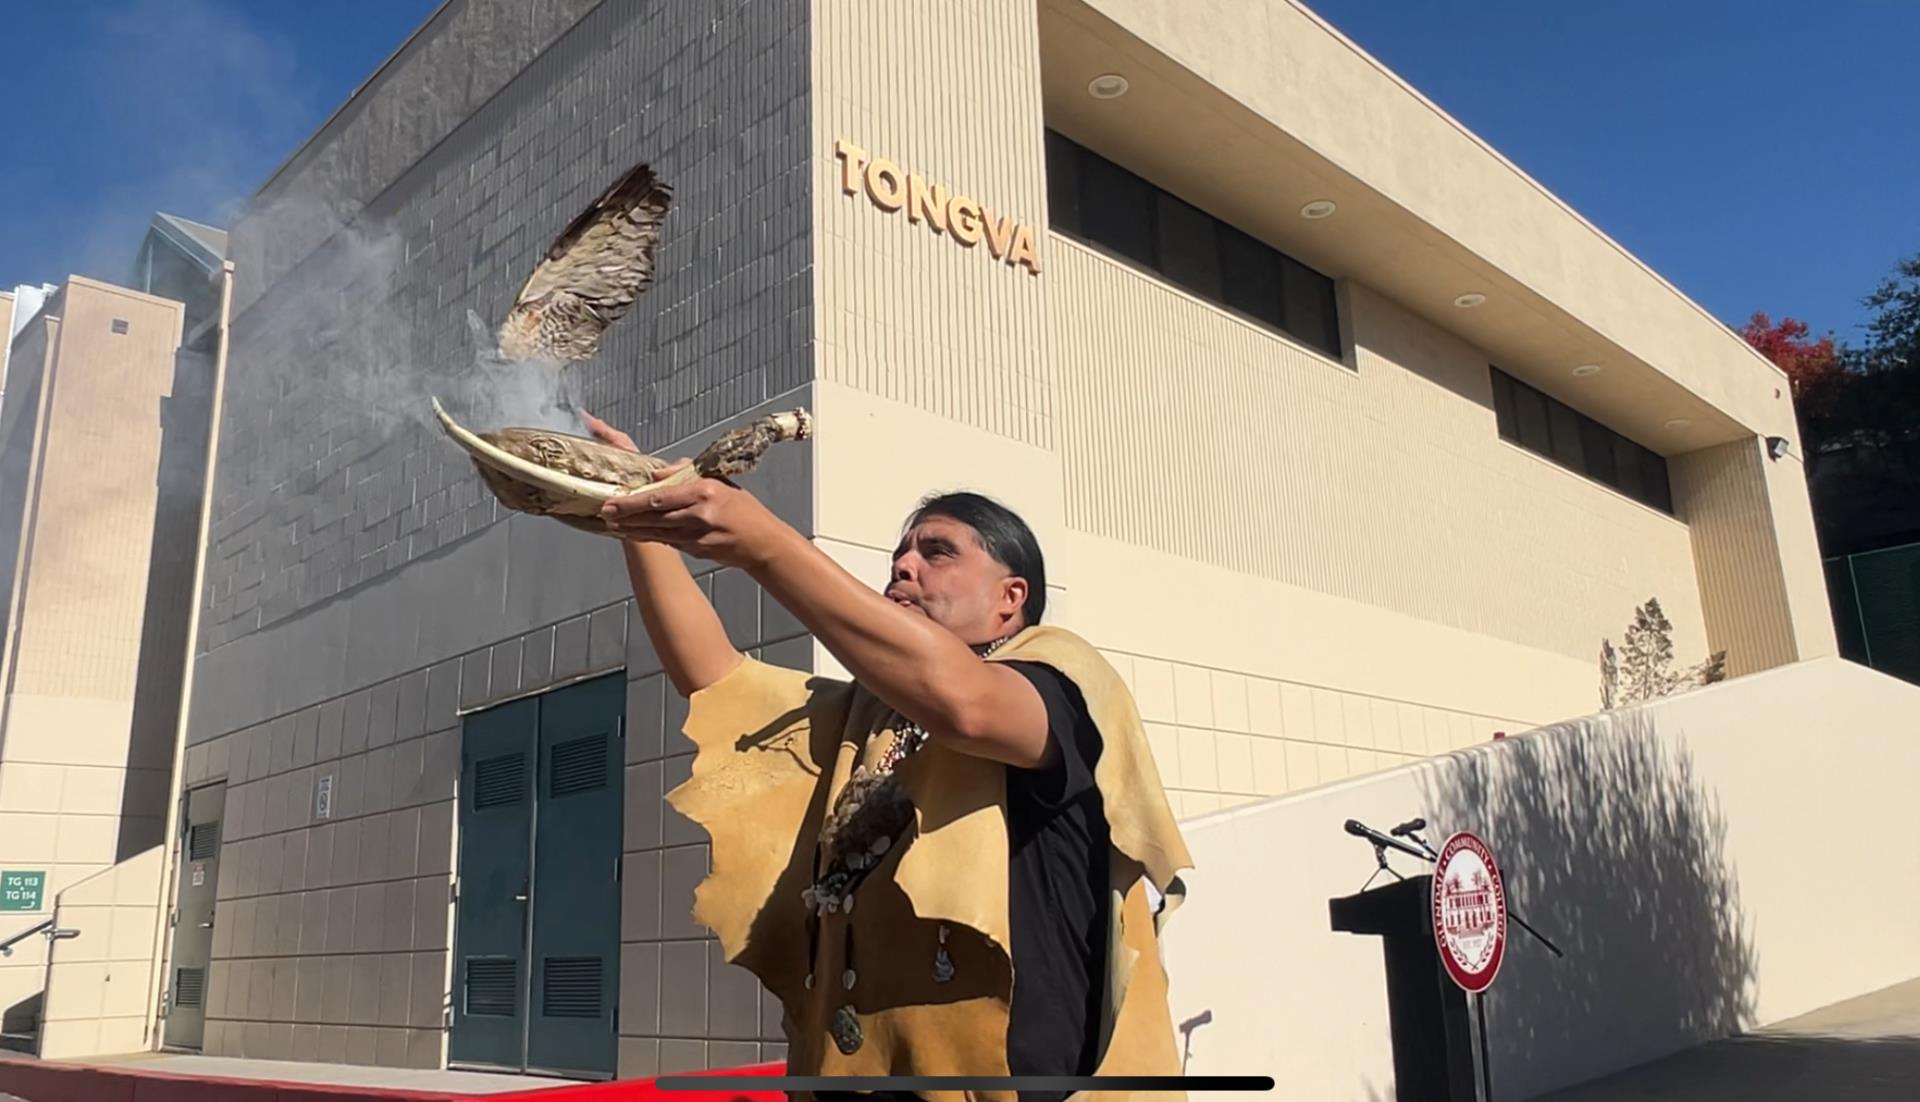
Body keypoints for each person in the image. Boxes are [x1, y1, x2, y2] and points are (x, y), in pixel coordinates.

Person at [585, 412, 1191, 1102]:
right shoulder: (868, 716)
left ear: (1010, 599)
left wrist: (767, 547)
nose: (904, 565)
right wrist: (639, 516)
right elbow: (712, 675)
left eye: (938, 552)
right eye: (900, 554)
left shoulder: (1060, 679)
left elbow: (965, 704)